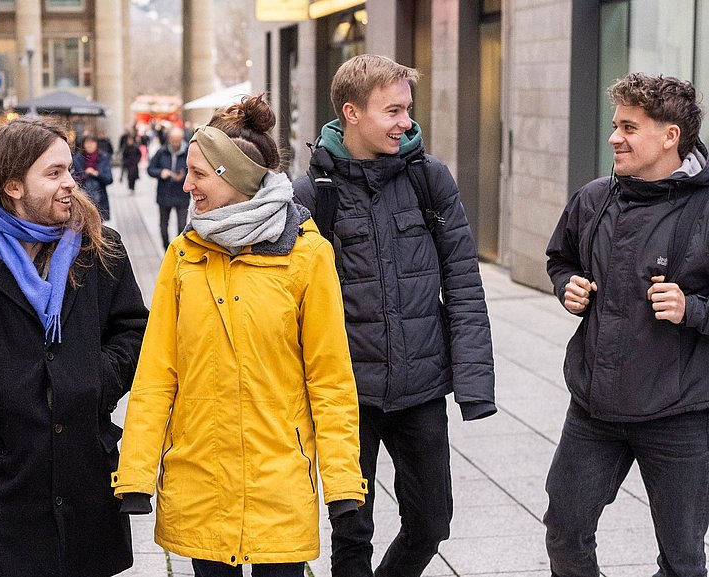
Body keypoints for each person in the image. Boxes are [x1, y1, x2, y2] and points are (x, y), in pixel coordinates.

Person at [111, 94, 367, 576]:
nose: (186, 185)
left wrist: (342, 484)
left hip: (280, 481)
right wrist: (136, 473)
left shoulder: (307, 255)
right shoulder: (184, 256)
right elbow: (156, 374)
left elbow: (330, 380)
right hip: (200, 478)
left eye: (198, 174)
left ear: (233, 178)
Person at [292, 54, 496, 577]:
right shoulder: (311, 194)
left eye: (407, 109)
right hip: (346, 395)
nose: (407, 122)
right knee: (352, 534)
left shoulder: (431, 179)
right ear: (352, 112)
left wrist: (474, 383)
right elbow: (292, 303)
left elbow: (463, 281)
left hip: (420, 388)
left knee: (431, 524)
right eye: (393, 111)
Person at [0, 116, 148, 577]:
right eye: (53, 173)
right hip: (3, 483)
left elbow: (134, 330)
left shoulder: (100, 249)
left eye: (69, 171)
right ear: (13, 185)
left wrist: (97, 378)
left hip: (86, 476)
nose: (70, 184)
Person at [544, 72, 709, 576]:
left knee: (682, 558)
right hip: (595, 406)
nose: (614, 137)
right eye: (616, 125)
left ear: (670, 136)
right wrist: (567, 284)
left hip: (680, 411)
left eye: (629, 128)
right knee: (564, 532)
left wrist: (694, 308)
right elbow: (560, 258)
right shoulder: (595, 198)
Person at [147, 126, 188, 249]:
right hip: (164, 194)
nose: (175, 143)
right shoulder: (162, 151)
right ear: (169, 139)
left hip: (182, 195)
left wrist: (184, 175)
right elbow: (150, 169)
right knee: (163, 227)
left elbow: (196, 170)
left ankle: (179, 250)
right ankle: (167, 250)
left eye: (178, 140)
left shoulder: (188, 152)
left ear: (182, 139)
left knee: (182, 227)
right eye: (173, 140)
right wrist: (161, 173)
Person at [72, 134, 114, 221]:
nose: (90, 145)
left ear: (97, 144)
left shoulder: (103, 158)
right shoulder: (77, 159)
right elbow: (73, 178)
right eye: (87, 142)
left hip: (100, 199)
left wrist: (96, 174)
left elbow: (109, 179)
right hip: (82, 198)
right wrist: (85, 173)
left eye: (92, 142)